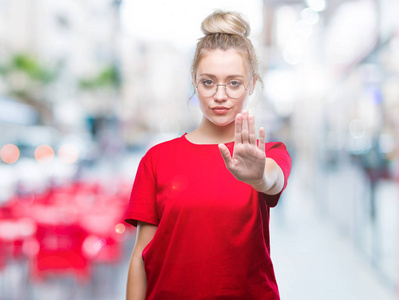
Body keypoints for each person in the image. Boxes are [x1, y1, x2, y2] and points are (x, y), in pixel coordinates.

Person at [124, 10, 291, 300]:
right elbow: (141, 254)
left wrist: (260, 177)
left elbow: (274, 180)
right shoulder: (157, 159)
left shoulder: (268, 154)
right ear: (194, 81)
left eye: (234, 82)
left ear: (252, 83)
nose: (220, 95)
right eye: (209, 82)